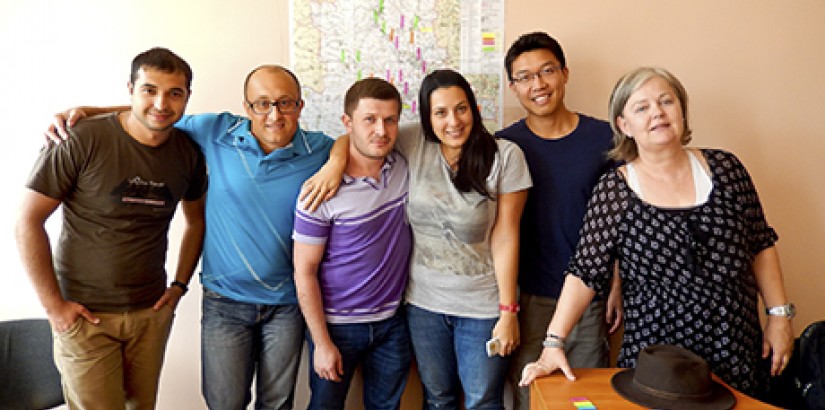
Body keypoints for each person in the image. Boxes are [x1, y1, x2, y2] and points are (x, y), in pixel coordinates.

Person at [45, 65, 340, 410]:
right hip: (224, 303)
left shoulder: (318, 148)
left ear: (300, 106)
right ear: (246, 107)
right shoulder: (216, 130)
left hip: (287, 305)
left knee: (277, 403)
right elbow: (154, 114)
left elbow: (352, 140)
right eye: (262, 104)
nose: (274, 114)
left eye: (285, 103)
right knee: (223, 402)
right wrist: (87, 111)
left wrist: (335, 162)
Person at [518, 66, 795, 399]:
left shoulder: (727, 168)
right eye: (642, 107)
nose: (658, 113)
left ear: (682, 110)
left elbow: (761, 244)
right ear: (624, 125)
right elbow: (585, 272)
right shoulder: (615, 191)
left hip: (735, 345)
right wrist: (553, 343)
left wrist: (779, 316)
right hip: (658, 364)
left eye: (667, 101)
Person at [16, 47, 208, 409]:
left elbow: (196, 221)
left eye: (174, 93)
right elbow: (27, 221)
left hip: (150, 314)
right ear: (130, 90)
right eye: (149, 89)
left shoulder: (188, 153)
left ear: (187, 98)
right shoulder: (81, 139)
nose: (161, 103)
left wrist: (179, 287)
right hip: (85, 317)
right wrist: (54, 307)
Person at [496, 32, 622, 410]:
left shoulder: (604, 138)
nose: (538, 84)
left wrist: (616, 283)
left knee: (583, 400)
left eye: (547, 71)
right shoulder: (504, 147)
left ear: (565, 73)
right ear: (513, 87)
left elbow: (621, 223)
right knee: (528, 397)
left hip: (588, 299)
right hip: (528, 300)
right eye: (525, 76)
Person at [292, 77, 412, 410]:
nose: (381, 130)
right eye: (369, 120)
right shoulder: (318, 193)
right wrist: (321, 343)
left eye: (390, 120)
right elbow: (304, 272)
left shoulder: (402, 167)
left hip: (392, 323)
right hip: (337, 327)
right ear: (347, 123)